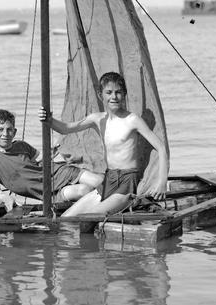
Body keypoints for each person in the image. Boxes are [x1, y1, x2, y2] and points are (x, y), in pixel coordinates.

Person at [38, 71, 170, 217]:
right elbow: (66, 129)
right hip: (108, 181)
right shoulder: (97, 119)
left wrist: (161, 183)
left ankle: (127, 203)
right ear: (101, 95)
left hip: (127, 183)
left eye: (118, 92)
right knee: (66, 218)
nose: (114, 97)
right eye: (109, 92)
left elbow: (161, 148)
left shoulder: (132, 120)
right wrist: (49, 120)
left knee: (87, 218)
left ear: (124, 94)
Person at [0, 109, 103, 209]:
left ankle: (118, 203)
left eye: (9, 130)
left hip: (60, 172)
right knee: (84, 190)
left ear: (14, 132)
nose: (5, 134)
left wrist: (50, 153)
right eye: (0, 130)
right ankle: (107, 206)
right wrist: (5, 198)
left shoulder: (21, 145)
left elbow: (39, 161)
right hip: (47, 193)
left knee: (100, 182)